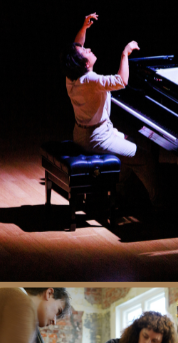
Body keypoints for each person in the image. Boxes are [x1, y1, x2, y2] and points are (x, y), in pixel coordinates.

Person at [61, 12, 157, 203]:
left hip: (83, 134)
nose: (88, 48)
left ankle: (118, 190)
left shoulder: (71, 76)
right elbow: (122, 81)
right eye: (87, 52)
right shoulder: (91, 80)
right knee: (144, 158)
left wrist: (84, 27)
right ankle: (158, 202)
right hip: (98, 138)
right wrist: (125, 53)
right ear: (86, 63)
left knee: (132, 144)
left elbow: (76, 47)